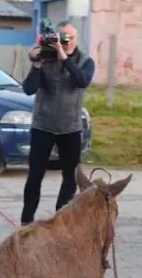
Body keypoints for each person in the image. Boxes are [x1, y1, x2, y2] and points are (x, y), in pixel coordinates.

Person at [20, 20, 95, 226]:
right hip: (43, 126)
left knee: (70, 178)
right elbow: (28, 89)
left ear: (76, 40)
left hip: (70, 128)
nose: (66, 42)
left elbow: (82, 81)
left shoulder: (85, 61)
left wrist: (64, 58)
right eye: (62, 38)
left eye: (70, 38)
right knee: (35, 175)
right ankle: (26, 222)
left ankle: (60, 221)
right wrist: (36, 65)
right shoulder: (46, 58)